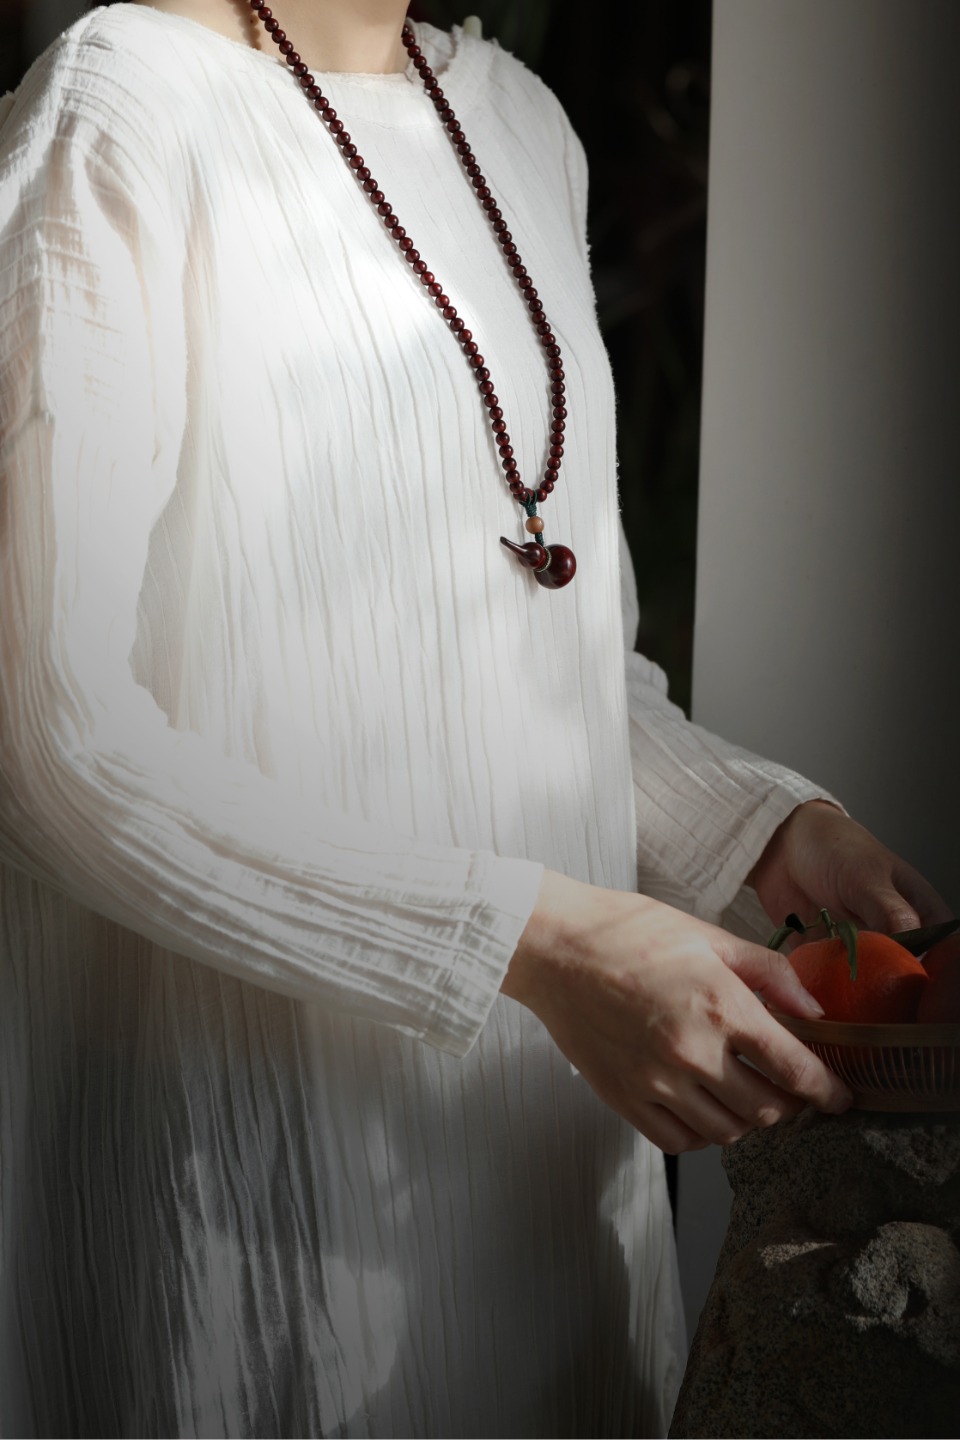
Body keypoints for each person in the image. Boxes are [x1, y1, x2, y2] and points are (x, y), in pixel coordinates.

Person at [0, 3, 950, 1436]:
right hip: (254, 1202)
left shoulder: (520, 124)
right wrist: (534, 942)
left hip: (550, 1188)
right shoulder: (119, 109)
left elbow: (563, 653)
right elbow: (43, 738)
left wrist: (758, 826)